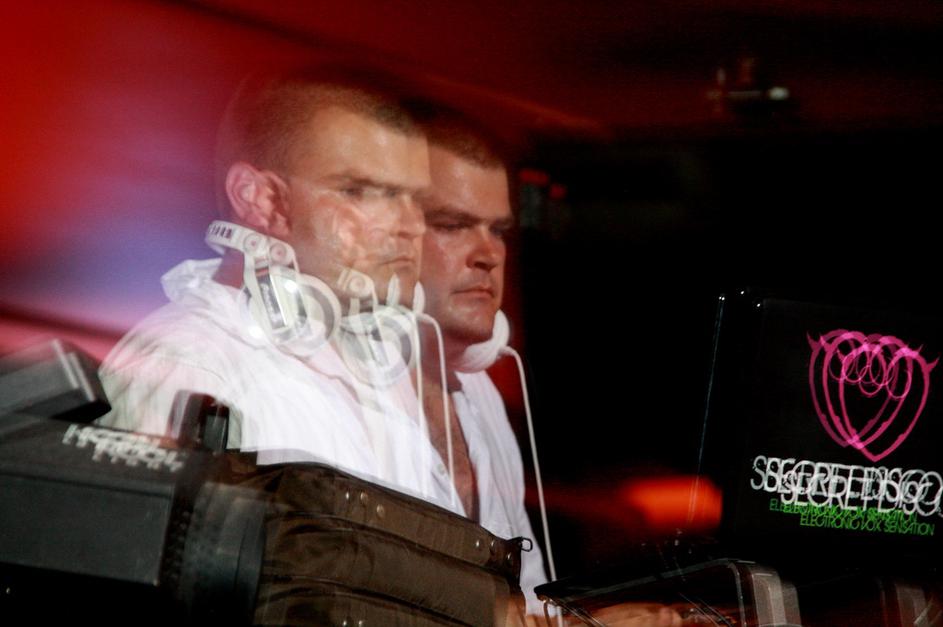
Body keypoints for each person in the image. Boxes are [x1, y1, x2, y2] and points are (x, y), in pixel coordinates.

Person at [95, 66, 455, 505]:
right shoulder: (190, 363)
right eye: (360, 190)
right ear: (261, 199)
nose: (412, 226)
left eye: (416, 200)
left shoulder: (379, 371)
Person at [415, 107, 685, 627]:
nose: (488, 255)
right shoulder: (349, 400)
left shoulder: (479, 390)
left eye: (498, 231)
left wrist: (598, 620)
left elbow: (528, 598)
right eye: (453, 225)